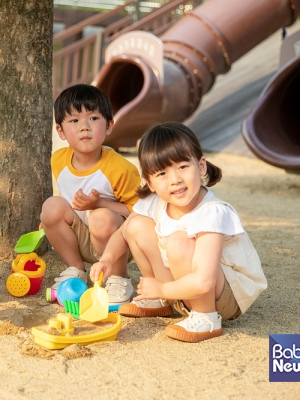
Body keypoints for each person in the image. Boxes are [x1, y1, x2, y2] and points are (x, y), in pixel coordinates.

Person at [90, 122, 267, 343]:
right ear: (150, 182)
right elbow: (122, 232)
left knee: (178, 241)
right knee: (135, 226)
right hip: (180, 289)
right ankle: (158, 301)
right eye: (162, 173)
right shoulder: (153, 201)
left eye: (183, 166)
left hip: (222, 296)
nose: (175, 179)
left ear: (201, 166)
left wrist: (163, 287)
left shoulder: (212, 212)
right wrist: (106, 259)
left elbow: (204, 281)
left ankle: (206, 317)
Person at [40, 84, 141, 308]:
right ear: (61, 131)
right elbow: (64, 193)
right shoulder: (58, 160)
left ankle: (119, 277)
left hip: (116, 241)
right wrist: (49, 219)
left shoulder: (120, 168)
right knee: (51, 206)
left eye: (94, 118)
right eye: (74, 121)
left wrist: (100, 203)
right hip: (82, 238)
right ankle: (77, 270)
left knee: (100, 216)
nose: (84, 127)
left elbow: (139, 214)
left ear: (109, 125)